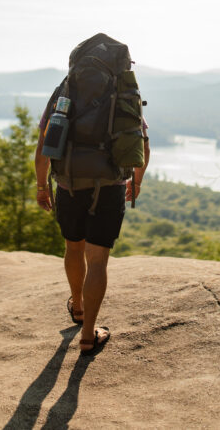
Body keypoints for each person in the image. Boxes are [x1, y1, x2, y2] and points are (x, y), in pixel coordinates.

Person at [34, 75, 149, 356]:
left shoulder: (64, 92)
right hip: (110, 187)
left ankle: (78, 308)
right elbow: (142, 145)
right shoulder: (123, 94)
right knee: (97, 260)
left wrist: (41, 185)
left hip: (69, 184)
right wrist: (137, 180)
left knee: (74, 248)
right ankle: (88, 337)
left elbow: (43, 146)